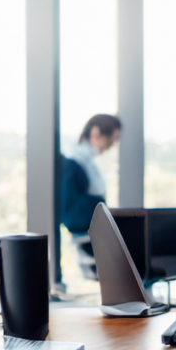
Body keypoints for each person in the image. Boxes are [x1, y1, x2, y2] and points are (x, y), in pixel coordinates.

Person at [59, 114, 121, 281]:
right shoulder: (74, 163)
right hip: (88, 243)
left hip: (95, 239)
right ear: (96, 133)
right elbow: (71, 213)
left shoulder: (86, 162)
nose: (113, 145)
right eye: (113, 138)